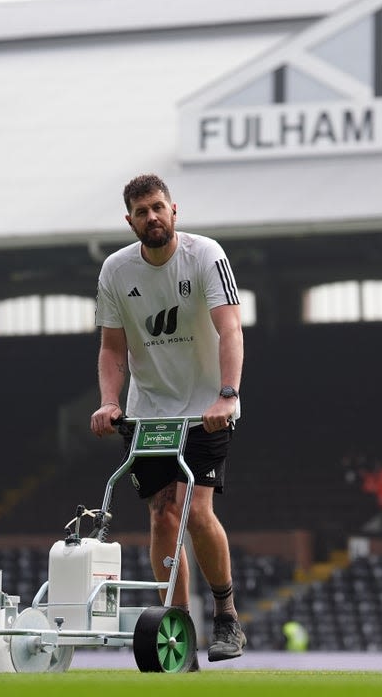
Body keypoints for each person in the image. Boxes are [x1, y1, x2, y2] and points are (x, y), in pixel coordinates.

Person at [90, 173, 246, 663]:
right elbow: (112, 347)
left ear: (174, 209)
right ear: (130, 220)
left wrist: (227, 396)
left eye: (158, 207)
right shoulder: (116, 271)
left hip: (205, 410)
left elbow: (230, 328)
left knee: (197, 511)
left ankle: (226, 617)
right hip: (149, 412)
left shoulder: (205, 255)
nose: (152, 217)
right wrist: (109, 401)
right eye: (142, 211)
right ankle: (175, 629)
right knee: (161, 513)